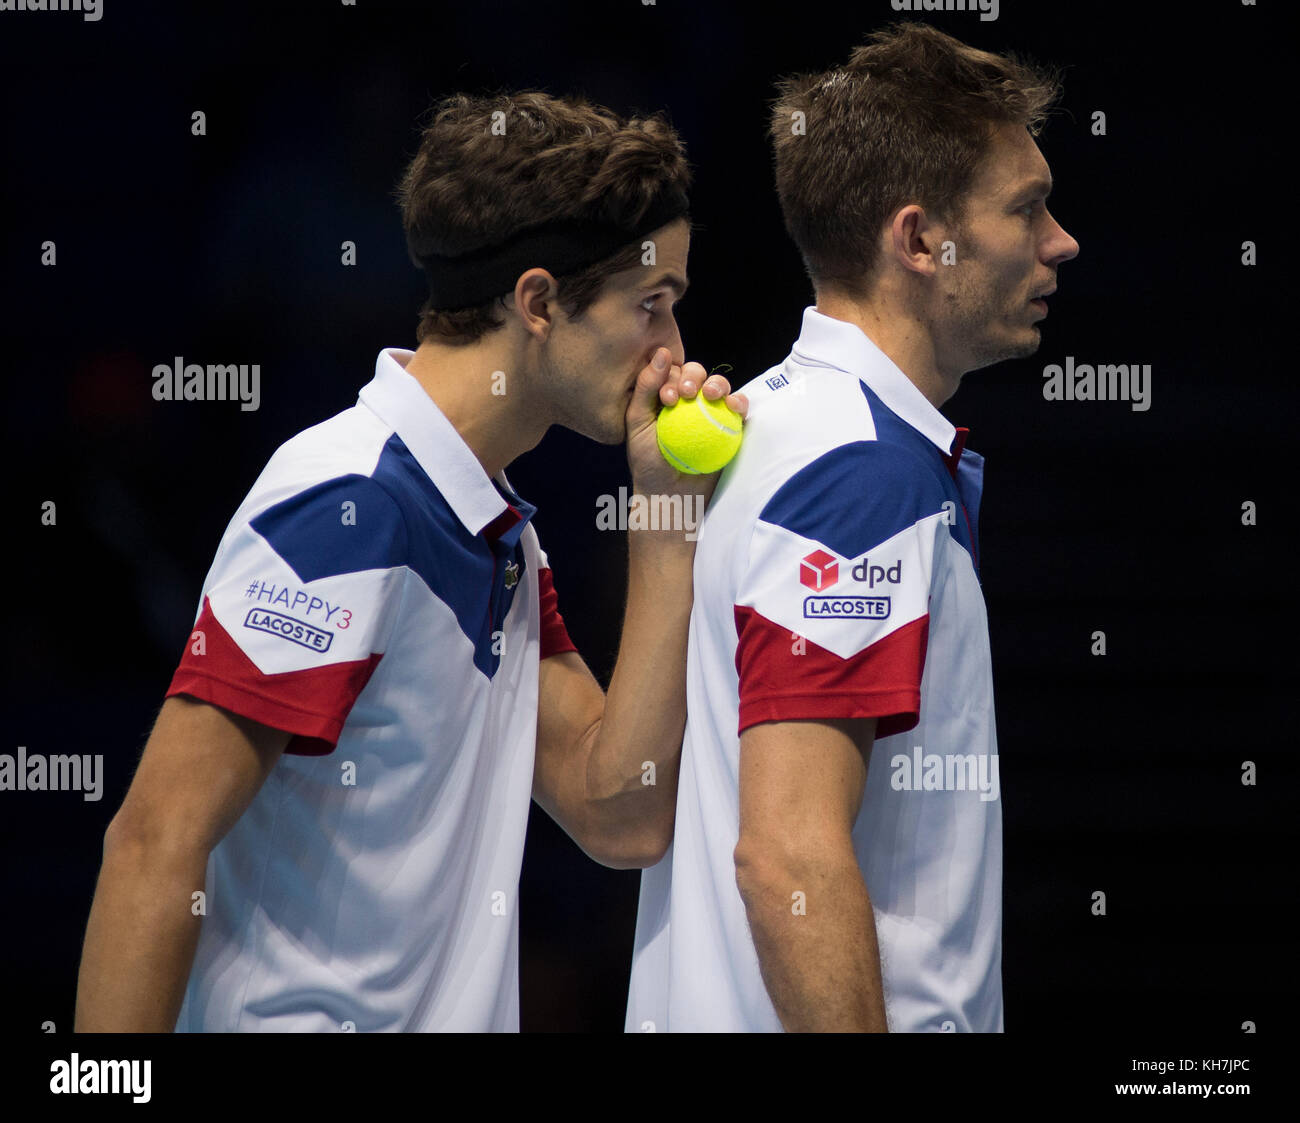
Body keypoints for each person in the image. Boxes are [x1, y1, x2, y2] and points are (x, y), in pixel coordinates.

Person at [74, 90, 745, 1032]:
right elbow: (152, 842)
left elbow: (619, 813)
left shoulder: (492, 524)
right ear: (540, 302)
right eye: (652, 305)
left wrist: (668, 519)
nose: (672, 350)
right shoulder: (345, 503)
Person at [625, 22, 1080, 1032]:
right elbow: (786, 851)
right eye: (1029, 208)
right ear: (918, 242)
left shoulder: (780, 425)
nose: (1060, 241)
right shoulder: (856, 474)